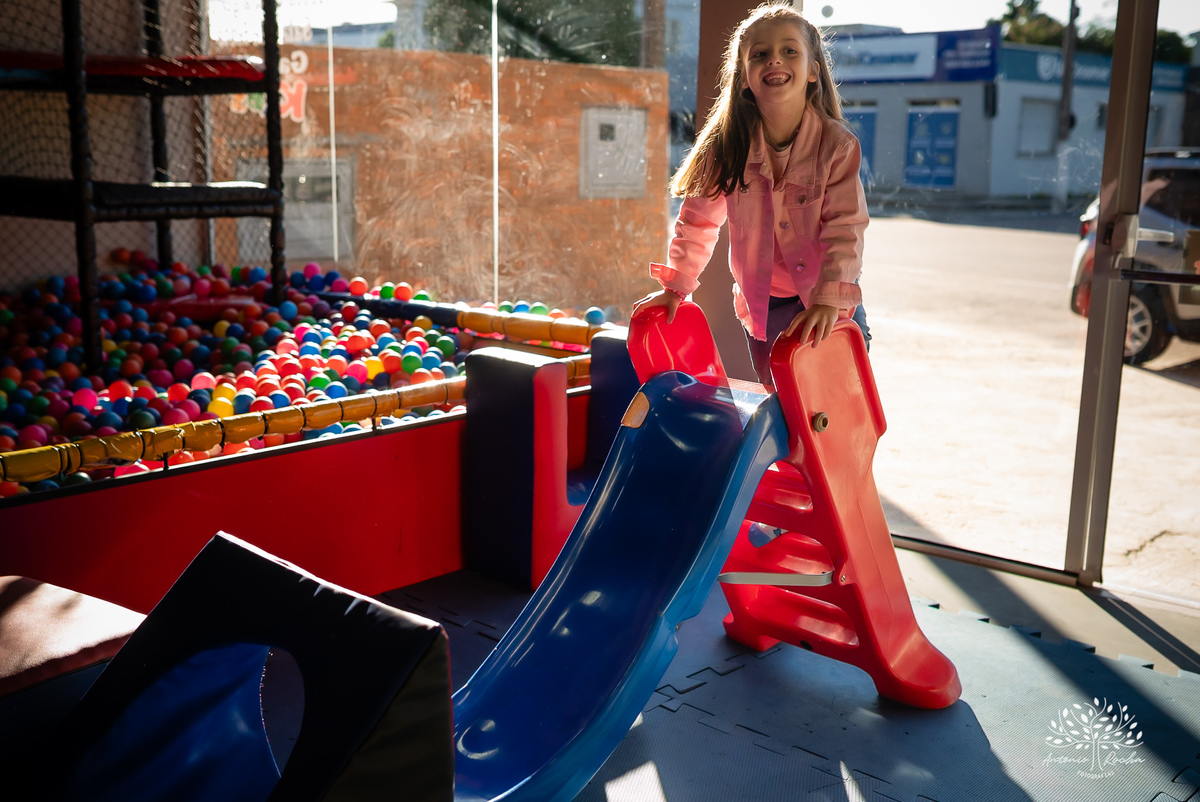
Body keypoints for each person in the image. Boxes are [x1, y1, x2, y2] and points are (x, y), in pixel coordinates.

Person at [632, 2, 870, 388]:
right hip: (765, 308)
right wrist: (675, 287)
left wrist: (828, 302)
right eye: (760, 54)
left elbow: (845, 229)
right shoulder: (727, 145)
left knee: (833, 412)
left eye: (789, 50)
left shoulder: (837, 146)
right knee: (783, 409)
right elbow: (698, 221)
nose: (775, 60)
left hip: (827, 305)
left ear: (813, 71)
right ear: (744, 76)